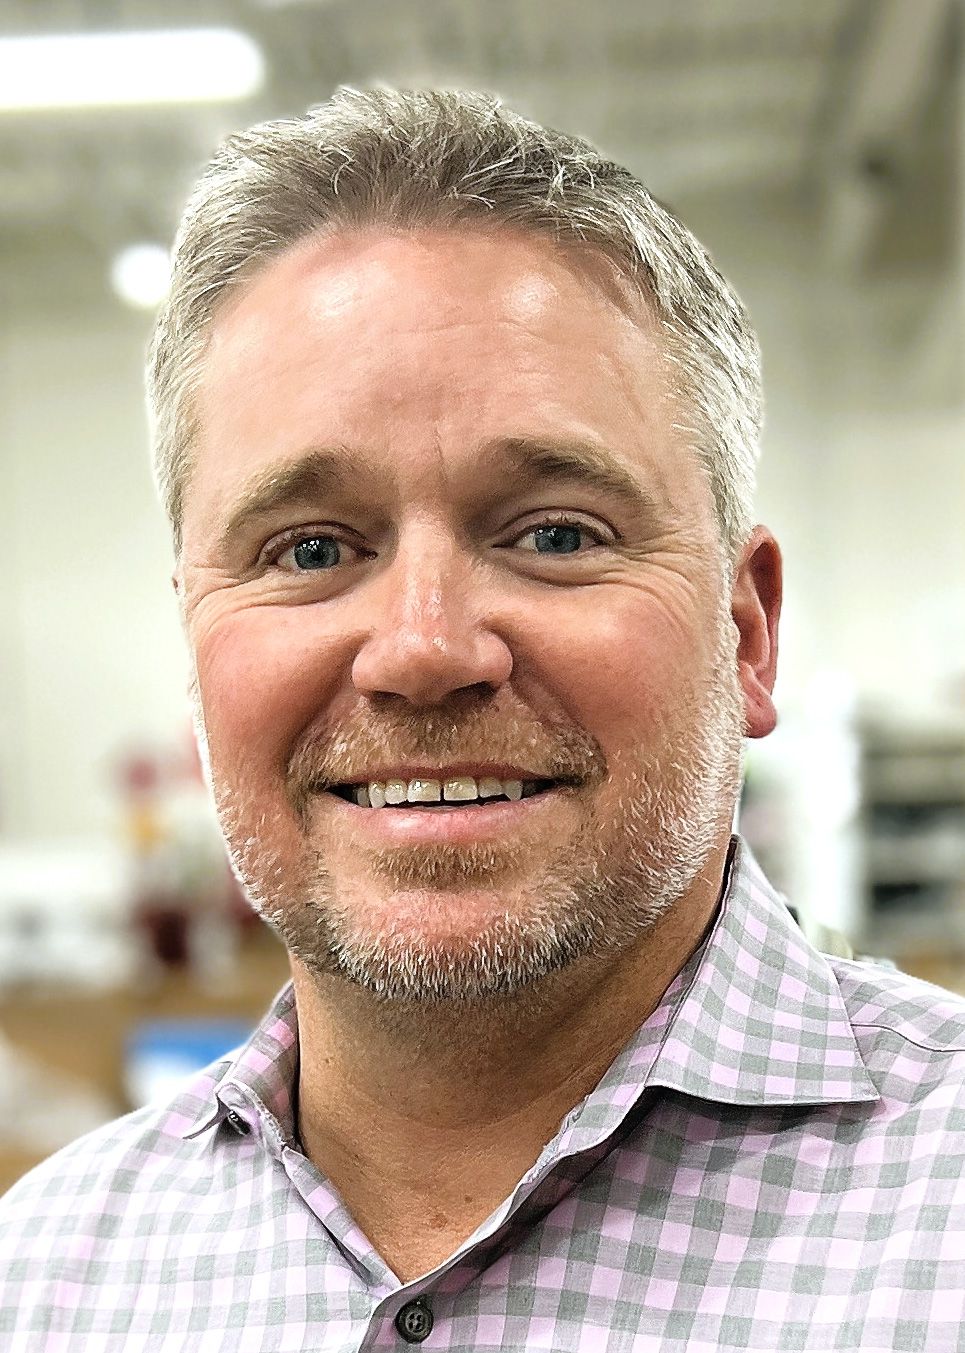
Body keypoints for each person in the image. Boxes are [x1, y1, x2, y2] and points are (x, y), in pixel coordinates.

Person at [1, 87, 963, 1353]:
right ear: (194, 642)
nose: (421, 650)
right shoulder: (44, 1282)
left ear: (745, 632)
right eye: (308, 548)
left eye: (554, 533)